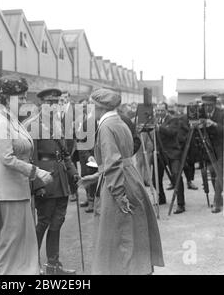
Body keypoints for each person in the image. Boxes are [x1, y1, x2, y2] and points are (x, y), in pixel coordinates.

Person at [78, 88, 164, 275]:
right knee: (131, 233)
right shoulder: (118, 121)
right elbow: (120, 158)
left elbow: (113, 161)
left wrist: (118, 194)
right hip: (130, 178)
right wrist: (96, 176)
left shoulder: (106, 126)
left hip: (118, 184)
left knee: (119, 236)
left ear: (97, 106)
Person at [0, 76, 53, 275]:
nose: (23, 101)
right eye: (19, 97)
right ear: (5, 98)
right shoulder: (1, 122)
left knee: (17, 240)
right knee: (8, 244)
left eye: (23, 97)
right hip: (3, 189)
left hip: (15, 187)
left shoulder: (12, 120)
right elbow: (7, 158)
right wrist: (37, 172)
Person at [31, 88, 79, 275]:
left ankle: (53, 265)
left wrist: (73, 172)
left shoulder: (59, 124)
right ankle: (31, 264)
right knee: (43, 222)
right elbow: (32, 158)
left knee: (57, 222)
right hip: (46, 179)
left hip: (61, 180)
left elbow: (65, 154)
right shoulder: (34, 125)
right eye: (49, 103)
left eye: (56, 102)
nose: (53, 106)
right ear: (41, 104)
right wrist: (38, 184)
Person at [154, 102, 184, 213]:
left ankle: (181, 204)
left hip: (172, 153)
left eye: (161, 110)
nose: (159, 113)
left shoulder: (173, 120)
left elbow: (172, 132)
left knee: (176, 176)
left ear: (166, 110)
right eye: (157, 110)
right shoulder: (155, 120)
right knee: (155, 178)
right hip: (159, 153)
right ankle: (161, 198)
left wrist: (159, 127)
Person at [201, 93, 224, 213]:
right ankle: (219, 197)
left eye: (210, 105)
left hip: (221, 148)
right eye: (205, 105)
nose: (207, 108)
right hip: (208, 148)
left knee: (219, 174)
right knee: (213, 174)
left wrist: (214, 124)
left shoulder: (221, 113)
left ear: (215, 104)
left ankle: (217, 203)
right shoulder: (201, 112)